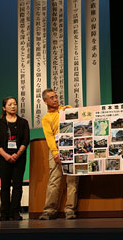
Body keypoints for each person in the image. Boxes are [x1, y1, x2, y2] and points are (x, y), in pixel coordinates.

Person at [38, 88, 79, 220]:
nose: (55, 99)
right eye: (51, 98)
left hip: (71, 147)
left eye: (56, 97)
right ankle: (49, 210)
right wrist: (55, 153)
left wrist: (69, 110)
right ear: (45, 101)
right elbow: (49, 136)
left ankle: (70, 209)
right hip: (56, 148)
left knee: (72, 180)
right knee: (54, 180)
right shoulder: (46, 118)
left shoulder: (66, 109)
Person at [0, 97, 30, 221]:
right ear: (4, 108)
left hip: (19, 158)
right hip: (4, 158)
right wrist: (6, 156)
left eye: (15, 104)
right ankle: (4, 213)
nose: (13, 106)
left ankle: (15, 212)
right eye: (10, 104)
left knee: (17, 186)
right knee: (5, 186)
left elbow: (26, 140)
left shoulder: (23, 122)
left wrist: (17, 154)